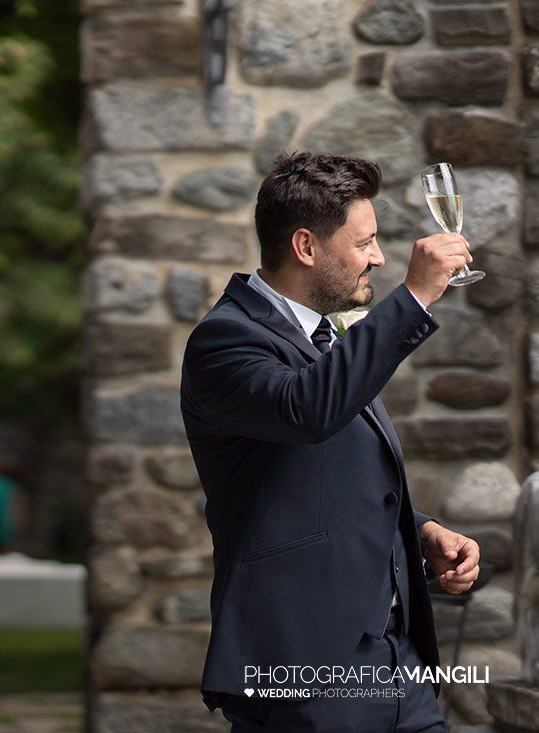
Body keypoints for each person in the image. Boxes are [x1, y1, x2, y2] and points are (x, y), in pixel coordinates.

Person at [180, 152, 482, 732]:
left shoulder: (326, 336)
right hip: (302, 672)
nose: (379, 257)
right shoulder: (224, 342)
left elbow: (327, 477)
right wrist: (414, 297)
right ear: (306, 247)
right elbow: (307, 410)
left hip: (399, 669)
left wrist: (421, 532)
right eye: (364, 242)